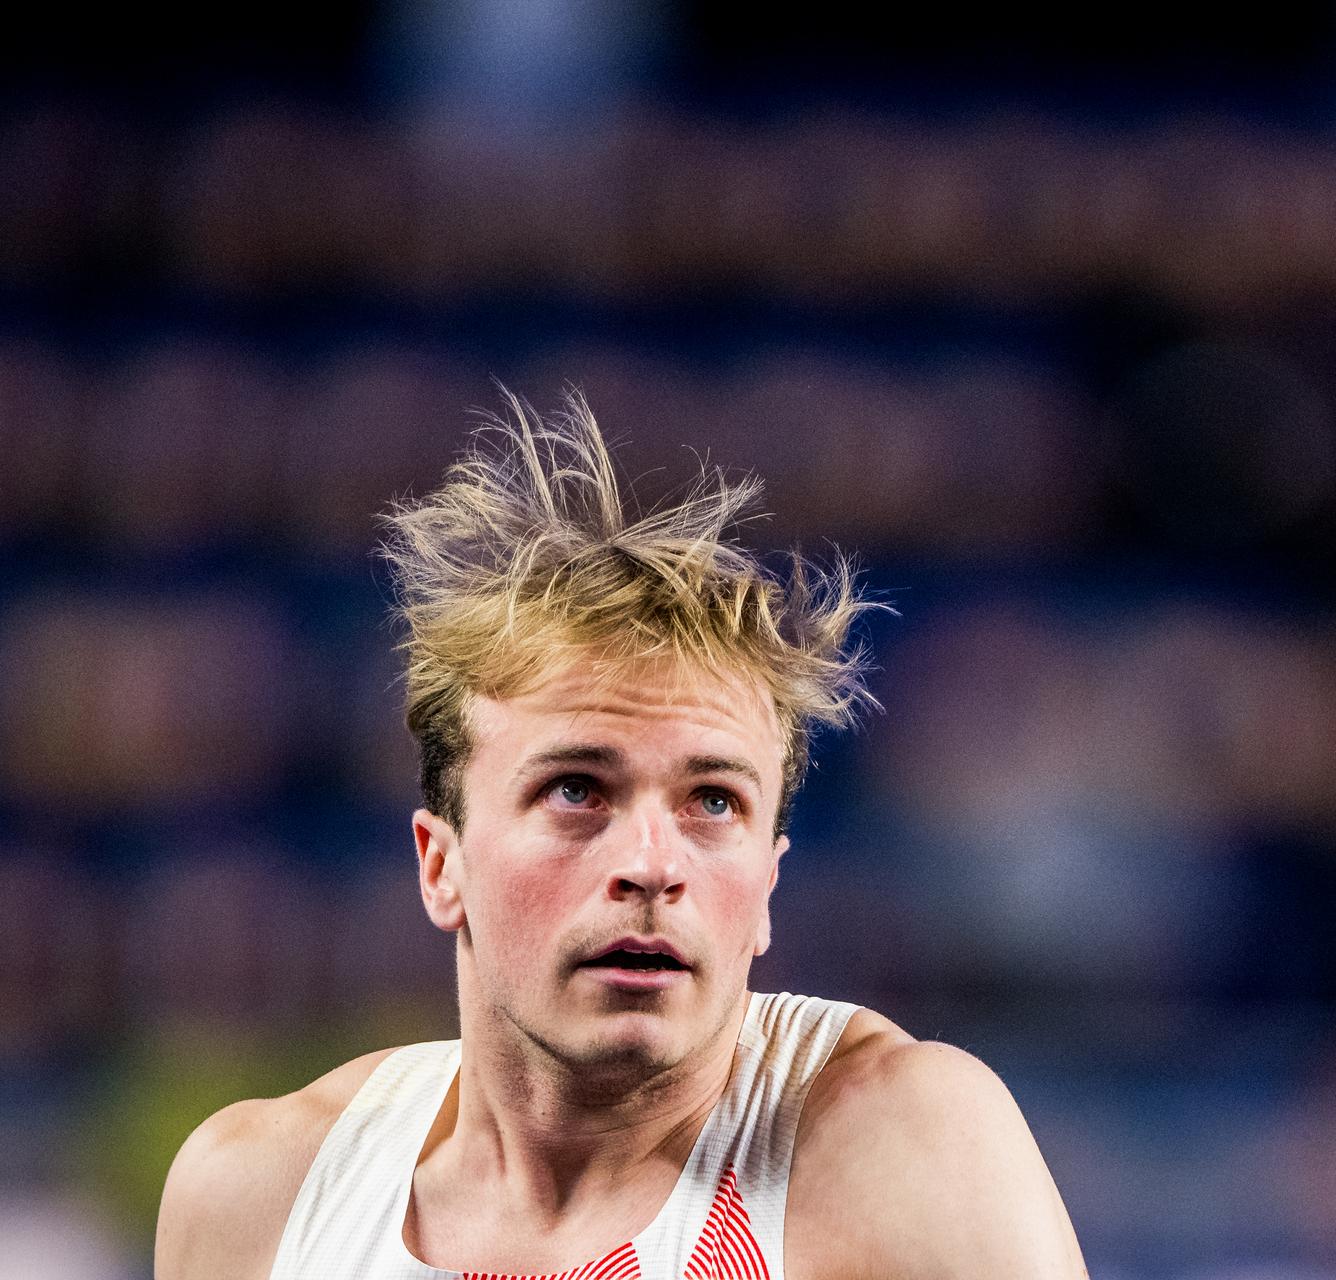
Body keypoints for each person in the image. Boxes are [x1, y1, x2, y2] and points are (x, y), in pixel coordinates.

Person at [154, 393, 1088, 1280]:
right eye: (576, 790)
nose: (651, 866)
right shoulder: (261, 1202)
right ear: (442, 866)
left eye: (714, 802)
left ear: (769, 881)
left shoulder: (899, 1147)